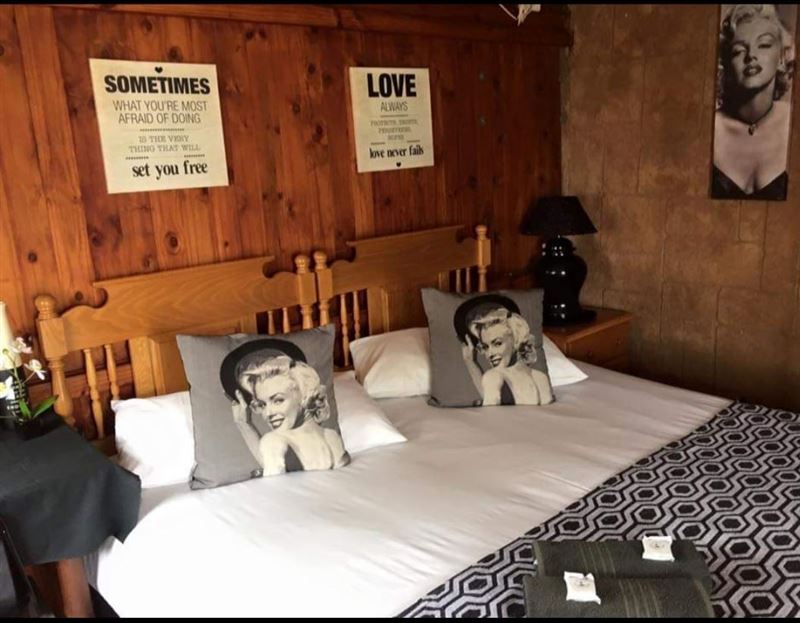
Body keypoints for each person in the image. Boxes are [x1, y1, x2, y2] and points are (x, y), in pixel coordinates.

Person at [712, 4, 795, 200]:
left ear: (782, 58)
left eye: (764, 44)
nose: (751, 56)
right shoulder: (711, 128)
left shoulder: (793, 124)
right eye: (738, 51)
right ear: (727, 64)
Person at [230, 353, 349, 476]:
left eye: (278, 400)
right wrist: (243, 424)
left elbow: (276, 485)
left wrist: (243, 424)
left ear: (305, 394)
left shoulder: (272, 442)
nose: (268, 413)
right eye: (263, 404)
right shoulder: (332, 436)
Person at [459, 305, 553, 406]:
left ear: (516, 339)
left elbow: (490, 413)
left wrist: (470, 362)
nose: (490, 354)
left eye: (498, 343)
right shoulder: (540, 378)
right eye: (486, 347)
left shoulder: (492, 377)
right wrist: (470, 362)